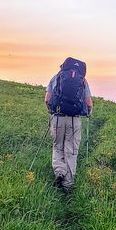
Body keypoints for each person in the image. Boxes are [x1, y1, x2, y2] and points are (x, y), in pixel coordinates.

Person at [45, 57, 93, 192]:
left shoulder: (56, 77)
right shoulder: (83, 80)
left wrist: (51, 110)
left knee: (57, 147)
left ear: (62, 67)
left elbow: (47, 99)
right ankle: (68, 185)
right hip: (74, 119)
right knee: (71, 151)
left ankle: (59, 172)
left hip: (58, 117)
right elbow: (88, 102)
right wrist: (88, 113)